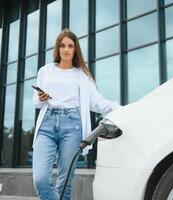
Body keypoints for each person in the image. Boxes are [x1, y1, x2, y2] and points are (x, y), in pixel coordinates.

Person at [32, 28, 121, 200]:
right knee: (40, 180)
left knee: (64, 184)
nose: (66, 49)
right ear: (57, 48)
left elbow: (97, 102)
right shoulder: (45, 71)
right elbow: (36, 102)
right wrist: (41, 97)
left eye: (70, 46)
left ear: (75, 49)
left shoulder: (82, 75)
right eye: (62, 45)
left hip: (72, 126)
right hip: (47, 124)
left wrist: (120, 108)